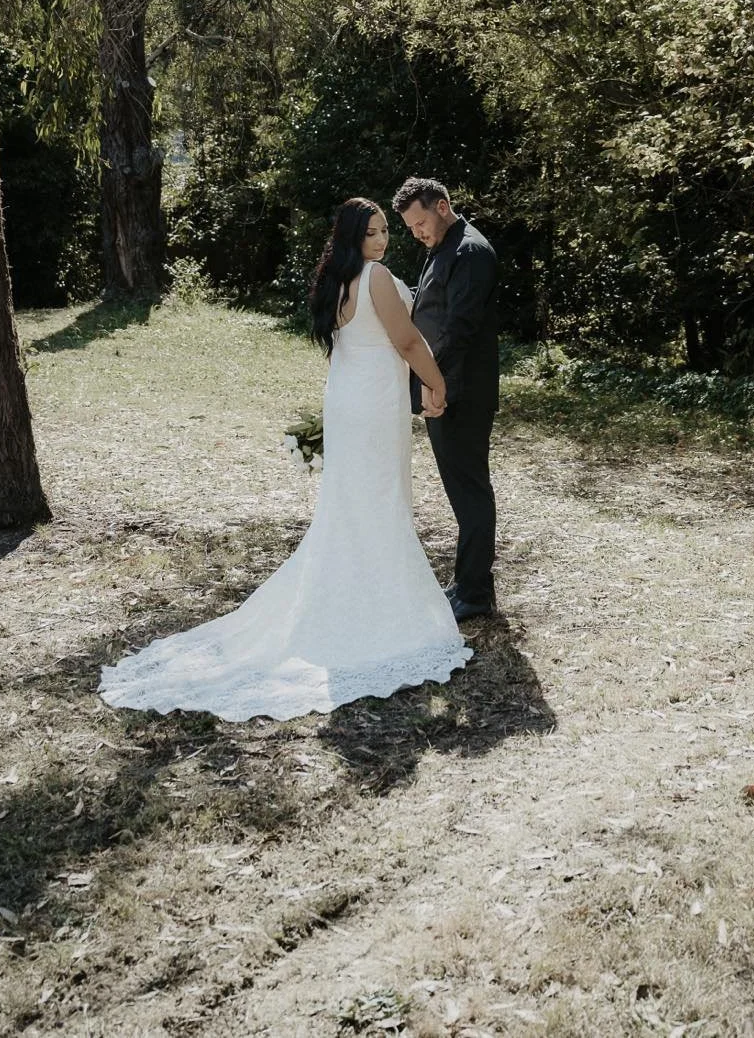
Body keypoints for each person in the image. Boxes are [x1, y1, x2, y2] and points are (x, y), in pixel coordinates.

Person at [99, 198, 471, 720]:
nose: (382, 240)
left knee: (352, 503)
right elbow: (407, 341)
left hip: (347, 397)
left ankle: (352, 597)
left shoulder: (335, 282)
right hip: (372, 404)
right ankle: (380, 614)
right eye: (371, 233)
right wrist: (438, 385)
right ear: (350, 238)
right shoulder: (376, 277)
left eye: (385, 230)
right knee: (379, 500)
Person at [394, 178, 499, 622]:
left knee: (470, 489)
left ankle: (475, 594)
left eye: (421, 222)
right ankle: (467, 581)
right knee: (460, 490)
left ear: (442, 206)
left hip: (460, 392)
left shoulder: (469, 252)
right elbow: (429, 310)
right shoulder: (442, 247)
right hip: (442, 387)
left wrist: (435, 387)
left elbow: (459, 330)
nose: (417, 232)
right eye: (411, 227)